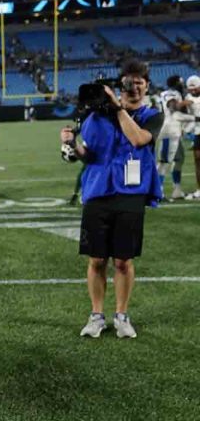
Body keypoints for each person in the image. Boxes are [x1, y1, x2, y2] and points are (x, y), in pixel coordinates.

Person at [59, 59, 164, 339]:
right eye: (128, 82)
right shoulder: (97, 116)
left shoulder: (152, 115)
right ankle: (96, 315)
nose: (134, 87)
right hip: (97, 191)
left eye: (139, 82)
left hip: (130, 194)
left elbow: (139, 139)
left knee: (123, 261)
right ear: (120, 85)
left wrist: (117, 108)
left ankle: (121, 315)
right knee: (96, 260)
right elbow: (89, 155)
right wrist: (72, 145)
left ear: (146, 86)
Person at [157, 75, 195, 200]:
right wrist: (187, 102)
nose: (182, 85)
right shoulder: (169, 93)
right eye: (180, 82)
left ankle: (177, 190)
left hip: (176, 130)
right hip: (168, 130)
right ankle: (158, 192)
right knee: (164, 162)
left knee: (179, 160)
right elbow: (172, 106)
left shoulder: (176, 93)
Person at [183, 75, 200, 199]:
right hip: (197, 132)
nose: (193, 91)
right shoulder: (188, 98)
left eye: (195, 88)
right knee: (198, 162)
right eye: (191, 89)